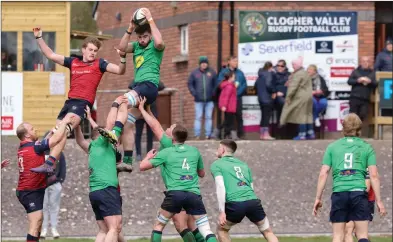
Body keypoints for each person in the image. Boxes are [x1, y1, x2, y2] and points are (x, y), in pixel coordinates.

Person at [30, 26, 127, 174]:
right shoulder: (73, 62)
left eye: (95, 51)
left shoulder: (100, 64)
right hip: (69, 103)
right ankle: (50, 162)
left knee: (64, 125)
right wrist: (38, 37)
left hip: (82, 104)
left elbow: (120, 70)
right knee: (60, 133)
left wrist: (122, 57)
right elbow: (50, 55)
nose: (92, 53)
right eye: (90, 50)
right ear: (83, 49)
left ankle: (43, 145)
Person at [137, 97, 206, 242]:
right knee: (189, 224)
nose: (167, 128)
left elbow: (154, 126)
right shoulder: (180, 146)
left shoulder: (168, 143)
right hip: (189, 190)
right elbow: (156, 123)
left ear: (172, 135)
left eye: (171, 127)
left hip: (177, 190)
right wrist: (149, 109)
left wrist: (142, 109)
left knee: (180, 224)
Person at [313, 113, 387, 242]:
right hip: (359, 193)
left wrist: (318, 198)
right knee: (362, 235)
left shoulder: (332, 147)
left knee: (337, 236)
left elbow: (323, 173)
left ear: (343, 128)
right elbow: (374, 175)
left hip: (339, 193)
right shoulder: (367, 147)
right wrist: (379, 201)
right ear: (359, 128)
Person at [138, 124, 218, 242]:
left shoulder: (167, 152)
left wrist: (148, 156)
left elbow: (142, 166)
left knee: (159, 226)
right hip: (193, 194)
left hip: (175, 194)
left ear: (172, 138)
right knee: (205, 230)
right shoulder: (194, 151)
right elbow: (202, 174)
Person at [115, 8, 165, 172]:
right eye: (140, 37)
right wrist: (129, 27)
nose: (142, 40)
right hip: (139, 88)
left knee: (121, 101)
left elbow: (159, 42)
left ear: (149, 35)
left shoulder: (155, 46)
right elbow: (121, 48)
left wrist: (150, 19)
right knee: (129, 122)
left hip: (149, 86)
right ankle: (128, 160)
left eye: (145, 37)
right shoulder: (136, 46)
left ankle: (115, 133)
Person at [75, 95, 128, 242]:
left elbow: (79, 140)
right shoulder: (106, 141)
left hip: (95, 192)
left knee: (105, 229)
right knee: (114, 227)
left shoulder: (92, 147)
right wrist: (117, 103)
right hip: (107, 190)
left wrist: (77, 123)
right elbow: (114, 122)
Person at [15, 115, 74, 242]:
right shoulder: (34, 146)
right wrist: (64, 122)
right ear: (26, 135)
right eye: (32, 129)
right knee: (35, 224)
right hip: (30, 191)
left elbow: (43, 145)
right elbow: (55, 140)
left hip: (32, 189)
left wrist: (53, 134)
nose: (35, 130)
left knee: (39, 222)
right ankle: (49, 162)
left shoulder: (24, 147)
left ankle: (49, 162)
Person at [211, 139, 279, 242]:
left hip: (235, 202)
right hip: (252, 201)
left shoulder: (217, 164)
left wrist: (222, 212)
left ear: (222, 149)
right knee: (267, 231)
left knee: (222, 230)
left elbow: (220, 187)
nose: (217, 150)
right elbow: (251, 187)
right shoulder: (244, 165)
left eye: (218, 148)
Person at [280, 56, 314, 140]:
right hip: (308, 96)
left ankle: (302, 135)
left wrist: (288, 97)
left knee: (301, 116)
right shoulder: (305, 72)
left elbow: (293, 87)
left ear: (297, 65)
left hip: (301, 97)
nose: (292, 66)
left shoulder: (298, 74)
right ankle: (310, 133)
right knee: (307, 114)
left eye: (293, 64)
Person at [41, 131, 67, 239]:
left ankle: (54, 229)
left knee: (54, 207)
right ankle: (44, 230)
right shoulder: (42, 152)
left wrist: (60, 181)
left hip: (55, 184)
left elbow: (63, 168)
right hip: (43, 184)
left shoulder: (59, 152)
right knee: (43, 207)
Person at [216, 56, 247, 139]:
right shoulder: (224, 72)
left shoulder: (240, 73)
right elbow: (220, 84)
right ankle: (227, 134)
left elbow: (244, 84)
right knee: (228, 118)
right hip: (229, 100)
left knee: (239, 115)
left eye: (236, 61)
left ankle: (240, 134)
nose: (235, 63)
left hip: (237, 97)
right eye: (234, 61)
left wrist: (237, 92)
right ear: (229, 61)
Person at [134, 80, 165, 161]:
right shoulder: (138, 79)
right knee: (138, 133)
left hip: (151, 110)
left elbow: (162, 86)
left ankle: (149, 153)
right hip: (139, 110)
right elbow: (131, 86)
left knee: (150, 134)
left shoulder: (153, 81)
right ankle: (138, 153)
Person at [188, 56, 217, 139]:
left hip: (209, 100)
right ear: (200, 64)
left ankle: (208, 134)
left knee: (209, 117)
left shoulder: (212, 72)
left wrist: (213, 93)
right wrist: (194, 93)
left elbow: (216, 84)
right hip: (198, 100)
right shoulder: (194, 73)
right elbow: (190, 84)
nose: (204, 64)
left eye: (205, 63)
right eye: (202, 63)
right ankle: (197, 134)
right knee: (198, 117)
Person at [344, 169, 375, 242]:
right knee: (351, 231)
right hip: (355, 198)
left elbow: (366, 188)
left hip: (361, 199)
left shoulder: (366, 162)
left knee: (358, 233)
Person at [347, 56, 376, 121]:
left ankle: (359, 131)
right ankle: (352, 131)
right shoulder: (355, 71)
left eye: (367, 61)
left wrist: (370, 82)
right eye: (364, 61)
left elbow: (376, 84)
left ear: (370, 63)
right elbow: (349, 81)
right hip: (355, 98)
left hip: (365, 99)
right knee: (352, 117)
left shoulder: (372, 73)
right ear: (360, 62)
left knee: (362, 116)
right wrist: (357, 80)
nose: (365, 63)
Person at [254, 61, 276, 140]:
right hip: (267, 98)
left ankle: (262, 134)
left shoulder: (260, 75)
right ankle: (266, 134)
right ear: (270, 67)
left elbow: (255, 85)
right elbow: (269, 84)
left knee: (263, 116)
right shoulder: (268, 74)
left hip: (260, 98)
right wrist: (273, 91)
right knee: (267, 116)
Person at [218, 71, 238, 140]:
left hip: (230, 107)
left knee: (228, 122)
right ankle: (217, 131)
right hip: (229, 107)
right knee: (228, 122)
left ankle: (227, 135)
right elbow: (226, 97)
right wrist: (224, 106)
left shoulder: (230, 85)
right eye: (234, 77)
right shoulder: (229, 86)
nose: (234, 78)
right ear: (230, 77)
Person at [273, 59, 290, 129]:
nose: (279, 67)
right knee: (282, 102)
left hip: (287, 95)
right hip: (276, 96)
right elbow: (271, 86)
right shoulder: (273, 74)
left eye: (281, 66)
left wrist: (284, 92)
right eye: (278, 65)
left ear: (285, 67)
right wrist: (276, 92)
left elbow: (291, 87)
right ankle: (281, 122)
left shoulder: (289, 75)